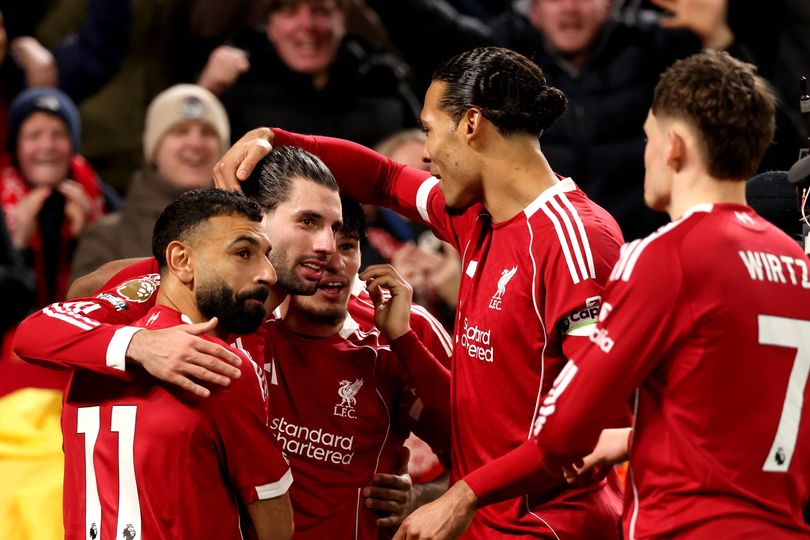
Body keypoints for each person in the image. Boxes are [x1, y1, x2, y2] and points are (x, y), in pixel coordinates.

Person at [215, 46, 627, 538]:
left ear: (470, 124)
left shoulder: (574, 240)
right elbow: (384, 178)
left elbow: (595, 419)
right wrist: (276, 139)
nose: (426, 153)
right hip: (494, 515)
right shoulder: (475, 220)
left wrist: (462, 495)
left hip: (552, 523)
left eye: (430, 129)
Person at [399, 50, 810, 539]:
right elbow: (732, 413)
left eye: (648, 137)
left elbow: (567, 426)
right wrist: (633, 437)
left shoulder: (667, 257)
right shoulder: (796, 265)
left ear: (673, 146)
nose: (646, 154)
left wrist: (465, 491)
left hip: (691, 525)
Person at [14, 188, 295, 539]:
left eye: (265, 256)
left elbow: (62, 308)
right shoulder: (216, 363)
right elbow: (273, 519)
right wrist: (143, 344)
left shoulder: (87, 352)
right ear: (180, 260)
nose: (268, 274)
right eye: (243, 254)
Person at [364, 0, 736, 240]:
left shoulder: (658, 46)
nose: (570, 8)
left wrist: (718, 41)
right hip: (538, 255)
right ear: (534, 9)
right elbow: (424, 25)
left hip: (642, 252)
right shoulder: (502, 52)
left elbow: (741, 116)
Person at [260, 194, 451, 537]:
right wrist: (132, 343)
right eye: (316, 250)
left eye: (346, 246)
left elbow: (485, 450)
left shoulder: (407, 329)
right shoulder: (243, 316)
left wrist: (424, 497)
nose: (333, 263)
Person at [198, 0, 420, 148]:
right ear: (271, 25)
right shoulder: (238, 82)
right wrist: (204, 92)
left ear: (342, 21)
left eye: (320, 11)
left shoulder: (383, 82)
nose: (306, 24)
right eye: (290, 11)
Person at [71, 84, 230, 279]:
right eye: (181, 131)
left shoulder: (250, 231)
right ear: (153, 151)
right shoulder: (108, 236)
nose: (196, 143)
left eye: (207, 133)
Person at [0, 86, 106, 307]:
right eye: (34, 135)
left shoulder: (102, 198)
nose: (47, 146)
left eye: (58, 134)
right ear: (16, 146)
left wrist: (85, 239)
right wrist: (19, 246)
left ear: (72, 146)